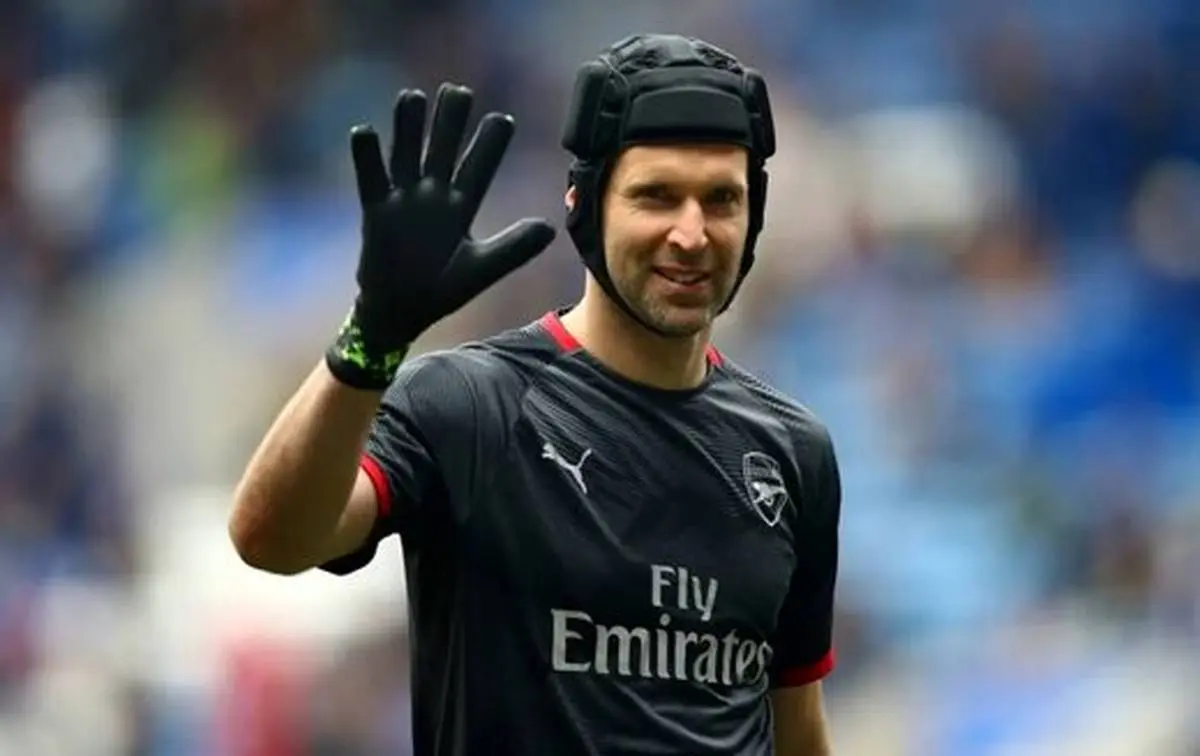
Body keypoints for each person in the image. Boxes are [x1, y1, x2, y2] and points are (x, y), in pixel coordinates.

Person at [229, 33, 841, 756]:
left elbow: (796, 729)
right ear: (585, 205)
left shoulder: (793, 453)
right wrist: (370, 336)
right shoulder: (471, 405)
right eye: (655, 196)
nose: (691, 233)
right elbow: (272, 539)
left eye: (722, 200)